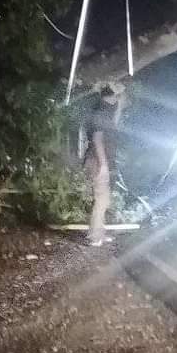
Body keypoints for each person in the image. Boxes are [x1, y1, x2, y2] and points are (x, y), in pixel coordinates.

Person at [82, 84, 120, 247]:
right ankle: (94, 236)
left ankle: (99, 233)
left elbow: (114, 123)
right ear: (112, 96)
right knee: (101, 199)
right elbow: (97, 138)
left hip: (100, 160)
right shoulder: (101, 112)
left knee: (104, 200)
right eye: (118, 96)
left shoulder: (105, 110)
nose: (119, 99)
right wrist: (103, 165)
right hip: (97, 161)